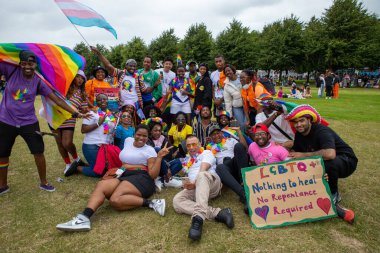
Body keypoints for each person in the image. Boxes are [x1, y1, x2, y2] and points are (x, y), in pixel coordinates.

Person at [0, 50, 88, 195]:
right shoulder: (11, 70)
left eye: (31, 63)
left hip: (28, 122)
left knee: (38, 151)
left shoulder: (38, 81)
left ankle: (44, 182)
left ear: (35, 65)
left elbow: (57, 99)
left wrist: (74, 111)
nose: (27, 66)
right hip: (6, 121)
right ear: (20, 64)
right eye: (24, 63)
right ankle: (3, 185)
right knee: (2, 153)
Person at [56, 124, 172, 232]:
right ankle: (84, 218)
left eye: (145, 136)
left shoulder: (149, 150)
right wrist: (126, 167)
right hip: (124, 174)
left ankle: (153, 203)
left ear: (148, 137)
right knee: (101, 185)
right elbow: (124, 160)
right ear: (133, 134)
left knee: (115, 200)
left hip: (142, 178)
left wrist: (159, 157)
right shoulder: (128, 141)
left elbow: (152, 175)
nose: (141, 138)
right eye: (139, 134)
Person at [286, 105, 358, 224]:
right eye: (295, 122)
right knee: (315, 163)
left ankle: (334, 194)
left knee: (326, 162)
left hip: (346, 161)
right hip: (326, 162)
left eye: (302, 121)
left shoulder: (321, 130)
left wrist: (303, 155)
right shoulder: (299, 134)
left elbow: (330, 154)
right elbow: (296, 153)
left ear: (309, 120)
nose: (298, 125)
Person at [173, 135, 234, 241]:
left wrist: (195, 182)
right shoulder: (188, 161)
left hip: (212, 183)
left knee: (201, 175)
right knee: (177, 200)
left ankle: (198, 219)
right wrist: (188, 184)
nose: (191, 147)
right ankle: (218, 213)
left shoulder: (206, 153)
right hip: (197, 190)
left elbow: (203, 169)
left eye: (194, 144)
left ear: (200, 144)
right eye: (188, 145)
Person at [64, 94, 117, 177]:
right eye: (99, 100)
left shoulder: (110, 115)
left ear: (108, 101)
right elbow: (83, 130)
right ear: (96, 102)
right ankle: (77, 167)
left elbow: (108, 130)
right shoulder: (92, 113)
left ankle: (89, 165)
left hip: (104, 147)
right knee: (100, 172)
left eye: (105, 99)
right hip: (92, 146)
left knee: (109, 169)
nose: (102, 101)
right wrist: (98, 123)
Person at [52, 70, 89, 174]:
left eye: (82, 78)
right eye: (78, 77)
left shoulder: (83, 94)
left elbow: (83, 109)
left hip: (70, 119)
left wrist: (90, 110)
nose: (80, 80)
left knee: (67, 143)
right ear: (73, 78)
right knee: (59, 143)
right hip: (55, 117)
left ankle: (77, 159)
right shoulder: (65, 88)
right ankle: (67, 163)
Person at [208, 125, 248, 214]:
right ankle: (244, 195)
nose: (216, 136)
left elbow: (244, 148)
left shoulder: (230, 140)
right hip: (225, 171)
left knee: (238, 146)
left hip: (237, 165)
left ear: (222, 133)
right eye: (213, 134)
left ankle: (244, 182)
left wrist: (239, 132)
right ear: (210, 137)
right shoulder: (209, 148)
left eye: (218, 133)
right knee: (220, 167)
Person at [223, 64, 246, 130]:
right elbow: (228, 101)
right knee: (241, 124)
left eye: (229, 70)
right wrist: (229, 115)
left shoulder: (241, 78)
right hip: (237, 106)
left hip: (247, 104)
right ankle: (242, 138)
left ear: (233, 70)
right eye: (226, 72)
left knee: (247, 123)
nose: (228, 72)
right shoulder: (227, 85)